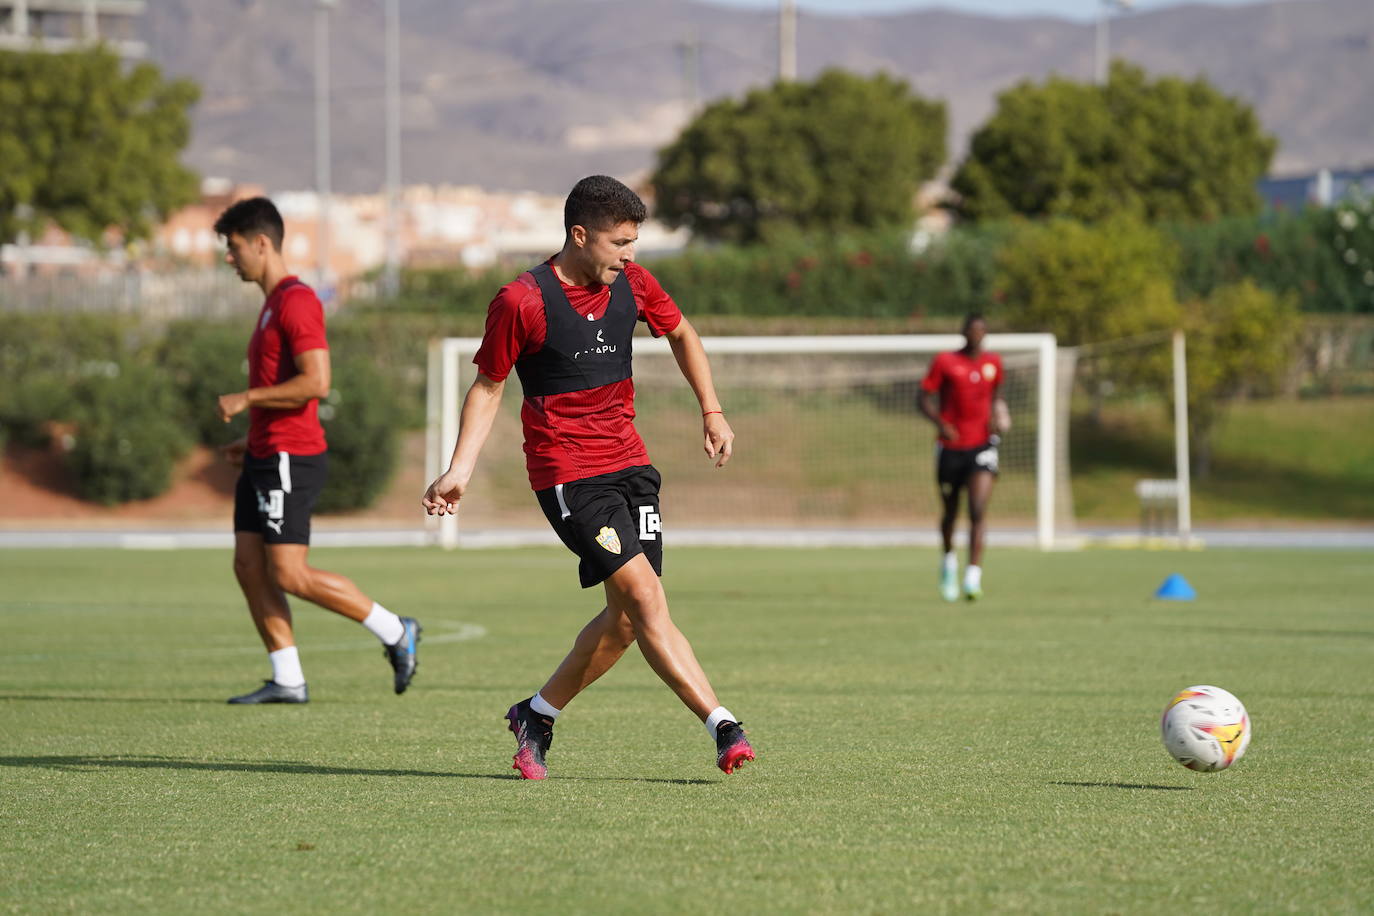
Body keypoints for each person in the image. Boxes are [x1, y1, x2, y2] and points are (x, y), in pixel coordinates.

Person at [421, 175, 754, 779]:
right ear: (580, 235)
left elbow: (681, 333)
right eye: (620, 242)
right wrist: (459, 469)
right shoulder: (521, 300)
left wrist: (712, 409)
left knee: (627, 621)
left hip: (631, 465)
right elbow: (490, 386)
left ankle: (537, 714)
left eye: (634, 242)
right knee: (648, 598)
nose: (630, 255)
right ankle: (723, 724)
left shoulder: (633, 282)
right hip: (569, 476)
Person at [214, 196, 420, 704]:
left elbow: (317, 382)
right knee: (248, 566)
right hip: (265, 452)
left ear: (261, 243)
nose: (229, 258)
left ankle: (396, 630)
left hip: (291, 457)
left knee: (288, 571)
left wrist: (247, 399)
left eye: (233, 247)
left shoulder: (296, 300)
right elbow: (286, 386)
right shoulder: (270, 305)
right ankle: (287, 677)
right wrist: (252, 435)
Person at [918, 313, 1009, 602]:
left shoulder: (993, 364)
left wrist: (998, 414)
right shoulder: (946, 362)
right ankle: (948, 564)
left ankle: (973, 576)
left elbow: (996, 396)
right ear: (964, 332)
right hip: (950, 446)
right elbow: (922, 397)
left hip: (982, 445)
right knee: (950, 512)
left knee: (978, 510)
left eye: (982, 330)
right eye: (972, 330)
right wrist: (939, 422)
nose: (976, 335)